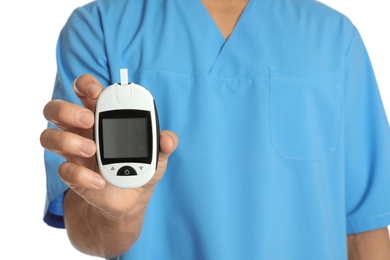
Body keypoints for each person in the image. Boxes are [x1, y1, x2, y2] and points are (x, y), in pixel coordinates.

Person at [40, 0, 390, 259]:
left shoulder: (335, 37)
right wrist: (120, 216)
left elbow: (364, 227)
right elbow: (88, 230)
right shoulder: (101, 26)